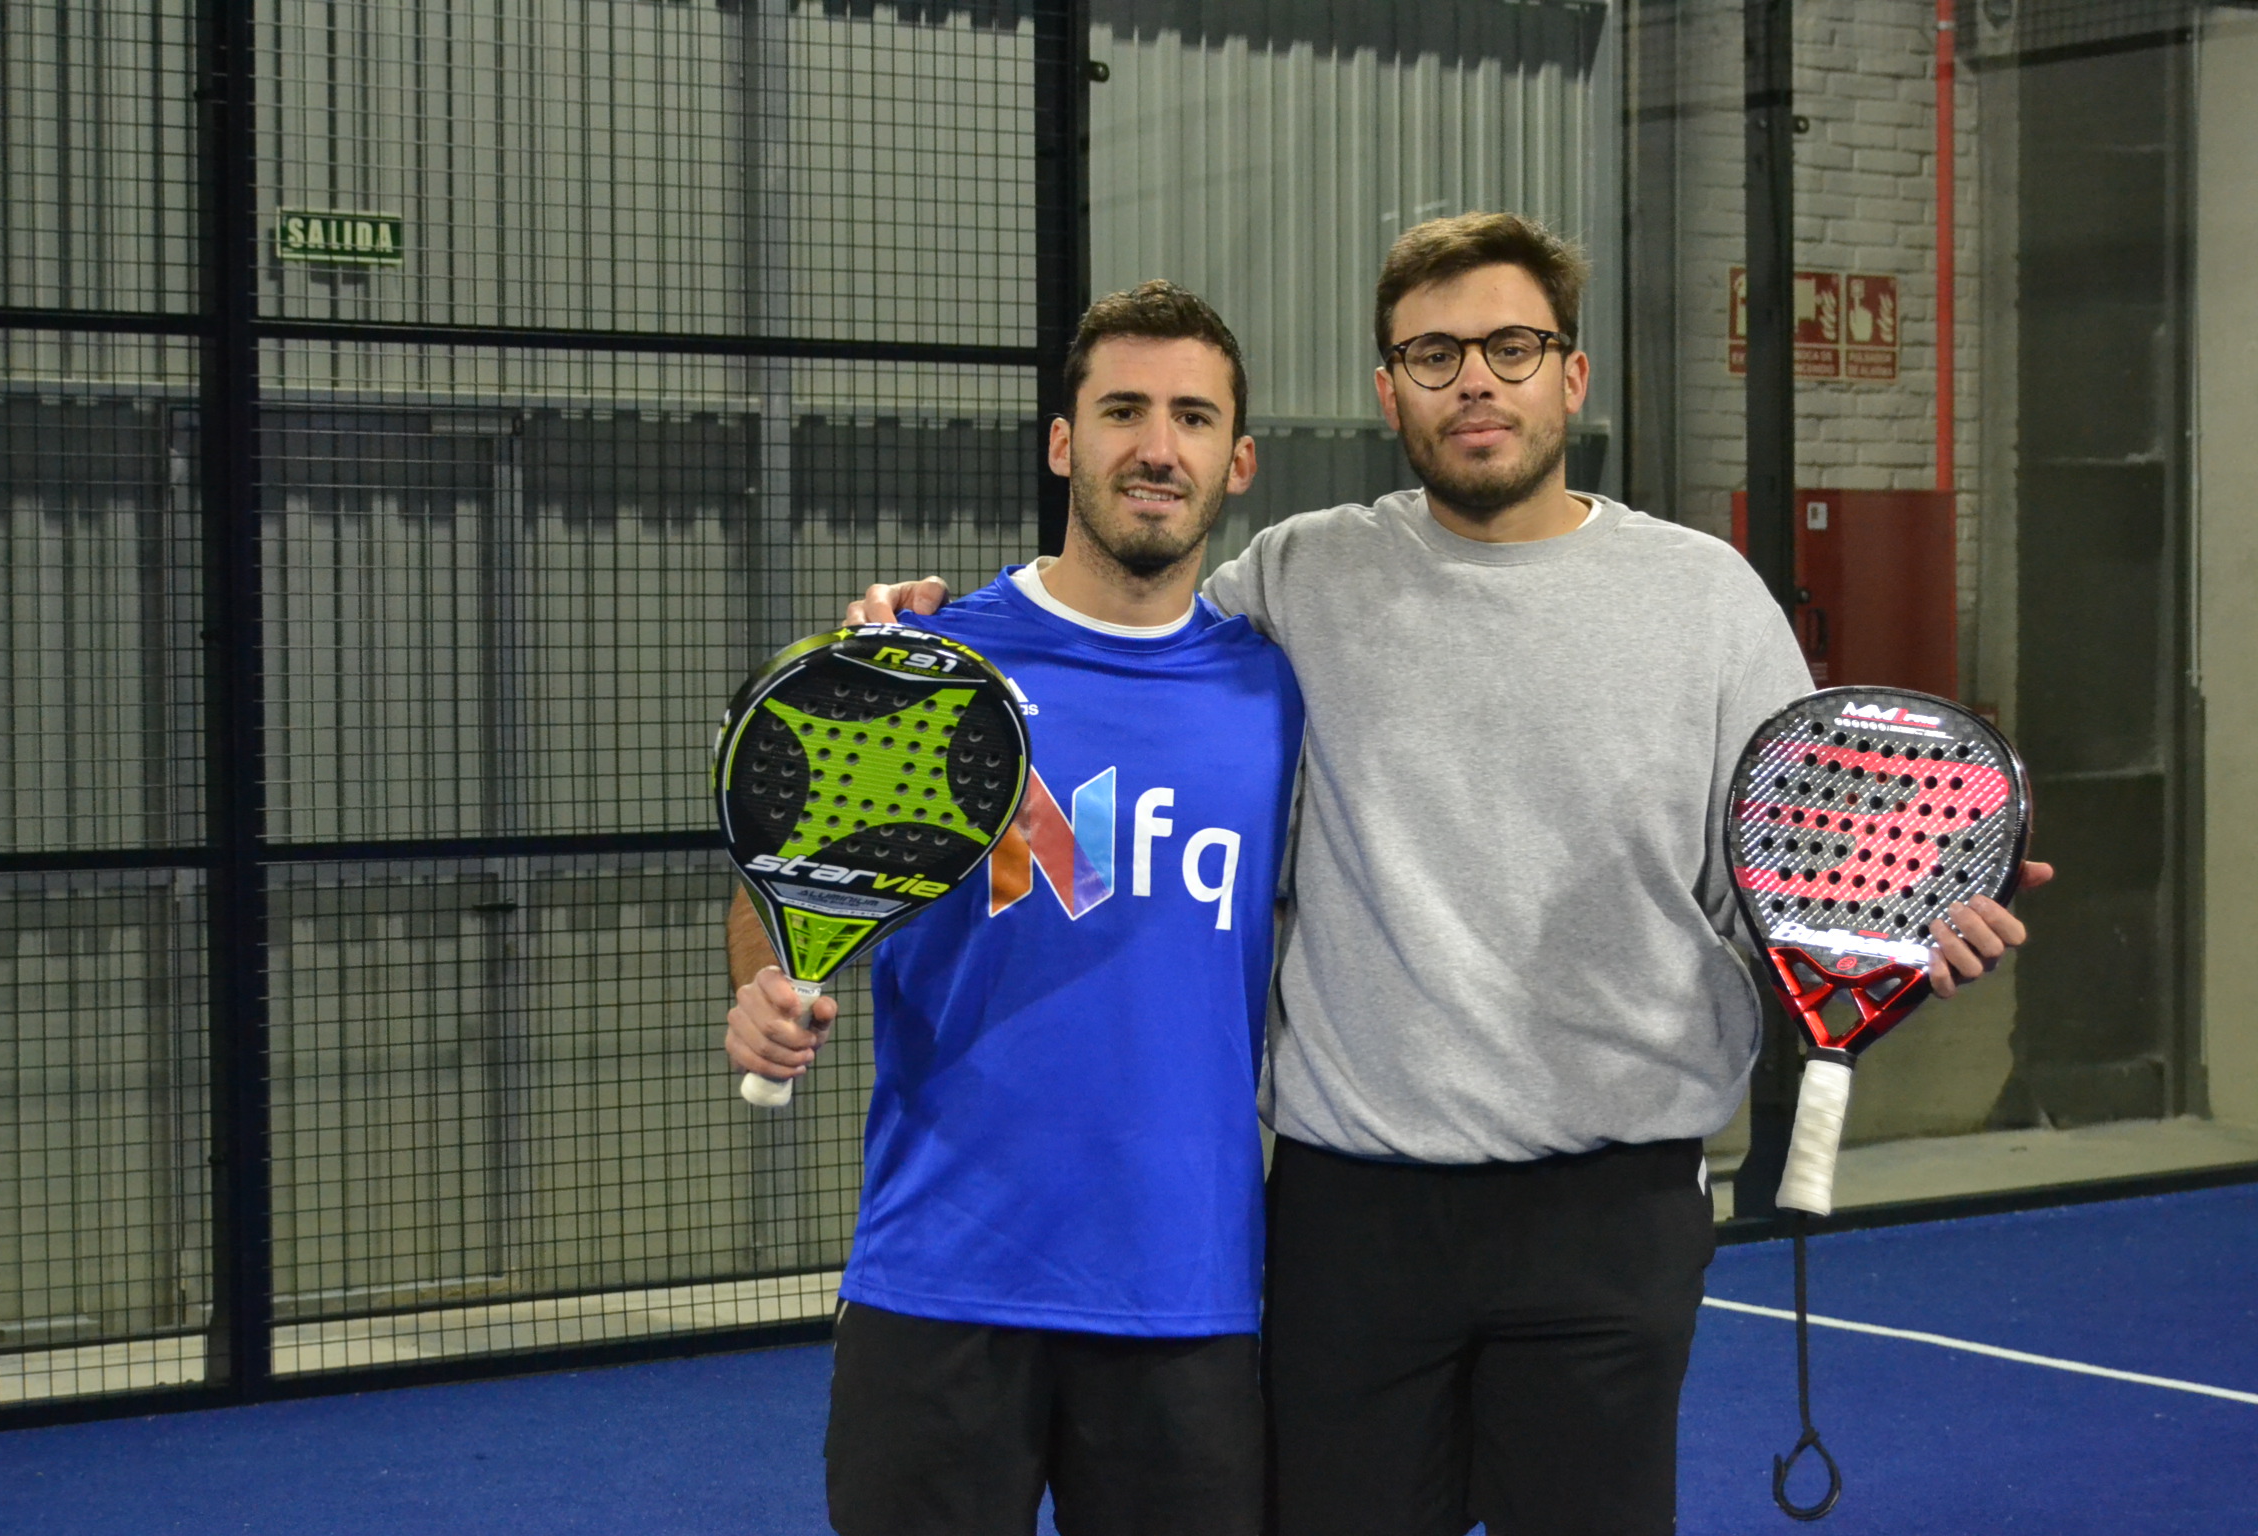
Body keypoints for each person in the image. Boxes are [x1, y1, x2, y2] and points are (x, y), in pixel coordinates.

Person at [851, 213, 2053, 1536]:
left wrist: (1903, 936)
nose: (1475, 379)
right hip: (1353, 1217)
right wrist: (935, 628)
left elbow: (1792, 874)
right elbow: (1127, 621)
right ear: (1391, 392)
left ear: (1571, 376)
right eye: (1435, 355)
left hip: (1612, 1212)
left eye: (1511, 347)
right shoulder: (1298, 578)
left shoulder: (1707, 601)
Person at [726, 280, 1303, 1536]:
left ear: (1239, 460)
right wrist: (760, 991)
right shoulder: (930, 663)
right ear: (1062, 442)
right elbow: (784, 891)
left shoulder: (1278, 693)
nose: (1157, 447)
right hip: (941, 1279)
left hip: (1186, 1292)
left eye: (1194, 418)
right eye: (1123, 411)